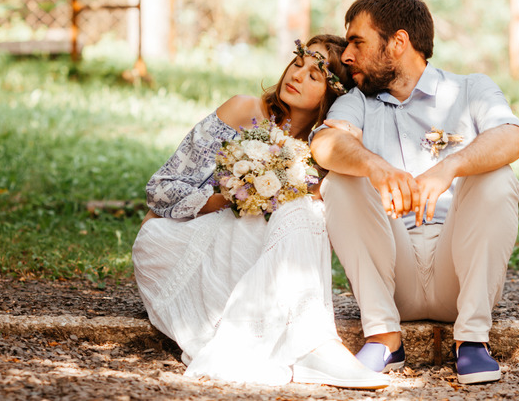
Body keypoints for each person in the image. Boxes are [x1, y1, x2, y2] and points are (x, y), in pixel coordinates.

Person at [131, 35, 389, 389]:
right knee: (291, 208)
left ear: (333, 97)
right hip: (173, 243)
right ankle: (316, 349)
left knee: (307, 208)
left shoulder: (323, 150)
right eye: (298, 63)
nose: (297, 75)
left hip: (245, 249)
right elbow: (159, 190)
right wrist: (236, 192)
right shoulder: (242, 109)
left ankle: (314, 346)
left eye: (315, 75)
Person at [310, 0, 519, 385]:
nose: (346, 55)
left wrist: (450, 167)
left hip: (460, 273)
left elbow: (513, 137)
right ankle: (383, 338)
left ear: (398, 42)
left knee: (497, 173)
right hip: (392, 275)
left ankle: (473, 341)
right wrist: (376, 167)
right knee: (342, 179)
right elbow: (325, 143)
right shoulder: (359, 101)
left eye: (358, 41)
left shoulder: (470, 88)